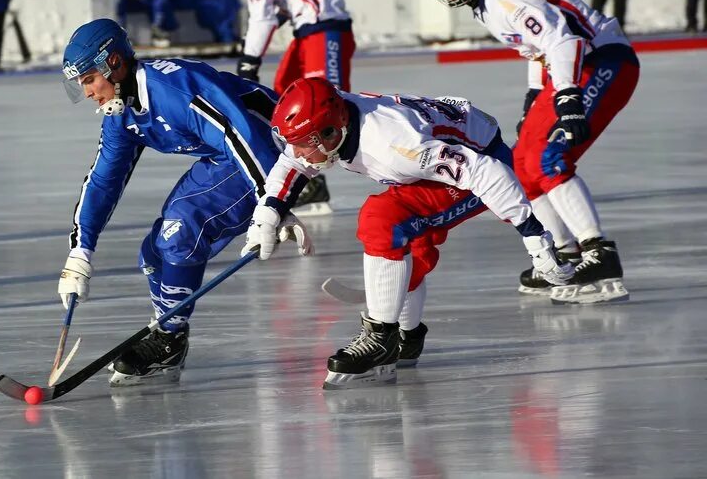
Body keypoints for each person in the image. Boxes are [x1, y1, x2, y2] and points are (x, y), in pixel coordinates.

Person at [242, 77, 573, 388]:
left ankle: (380, 338)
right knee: (406, 241)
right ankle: (406, 336)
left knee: (382, 220)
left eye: (305, 144)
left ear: (333, 131)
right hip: (446, 144)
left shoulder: (395, 145)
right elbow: (291, 163)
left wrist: (536, 241)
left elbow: (486, 172)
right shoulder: (337, 116)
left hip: (484, 161)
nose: (299, 152)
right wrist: (268, 214)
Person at [57, 18, 310, 386]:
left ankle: (168, 338)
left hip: (268, 149)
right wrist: (80, 250)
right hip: (224, 158)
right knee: (155, 253)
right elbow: (104, 180)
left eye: (89, 80)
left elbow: (239, 131)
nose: (89, 93)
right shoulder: (122, 114)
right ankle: (168, 337)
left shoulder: (172, 89)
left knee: (181, 232)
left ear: (114, 63)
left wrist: (273, 202)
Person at [423, 0, 639, 304]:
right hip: (573, 66)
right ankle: (565, 254)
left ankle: (598, 253)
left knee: (546, 159)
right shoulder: (486, 4)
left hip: (602, 60)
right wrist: (534, 98)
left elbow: (565, 40)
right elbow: (538, 51)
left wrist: (568, 97)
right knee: (522, 164)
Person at [200, 0, 356, 216]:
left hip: (323, 25)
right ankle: (304, 180)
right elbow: (281, 1)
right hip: (312, 25)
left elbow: (263, 14)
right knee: (285, 99)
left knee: (329, 103)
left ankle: (330, 175)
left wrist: (249, 60)